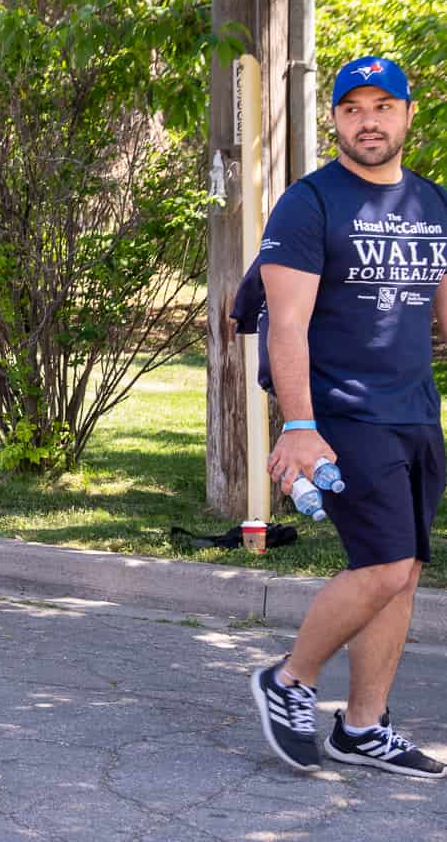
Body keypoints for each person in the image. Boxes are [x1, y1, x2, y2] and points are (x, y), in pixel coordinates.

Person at [250, 57, 447, 779]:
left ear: (406, 113)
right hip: (344, 412)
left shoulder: (433, 203)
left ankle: (363, 725)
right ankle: (289, 679)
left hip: (416, 413)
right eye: (353, 107)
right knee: (386, 562)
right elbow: (288, 326)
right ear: (335, 119)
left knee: (404, 570)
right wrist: (300, 423)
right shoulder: (311, 203)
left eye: (383, 106)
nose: (369, 120)